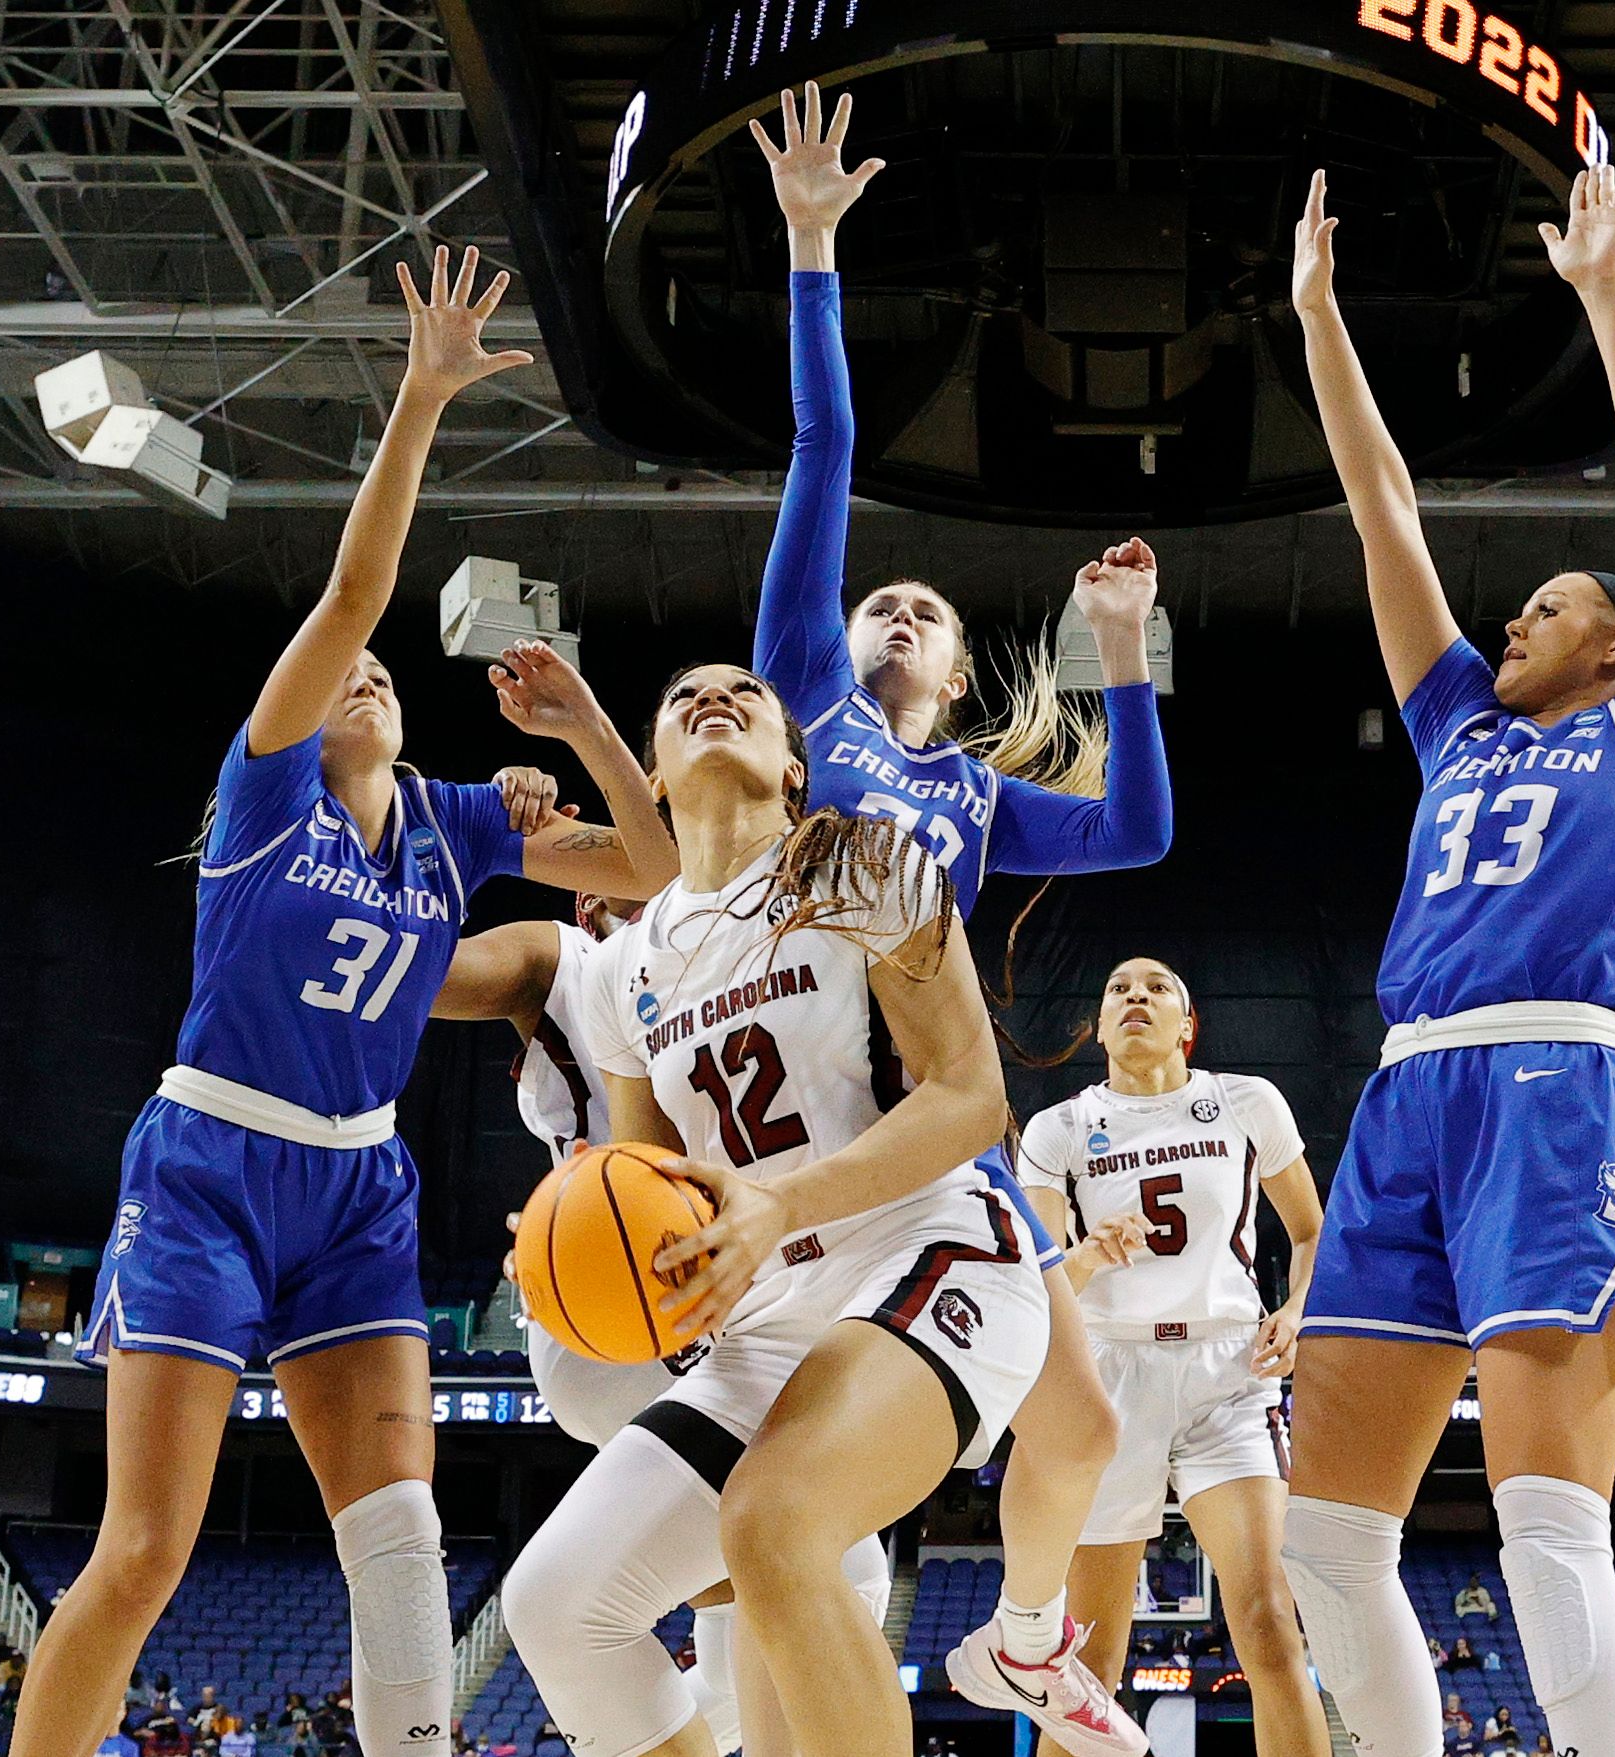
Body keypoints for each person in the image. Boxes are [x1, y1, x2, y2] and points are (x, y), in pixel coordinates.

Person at [11, 246, 679, 1757]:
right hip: (208, 1168)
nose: (366, 671)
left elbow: (649, 862)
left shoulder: (455, 821)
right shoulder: (259, 803)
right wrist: (425, 394)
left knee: (397, 1549)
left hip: (359, 1179)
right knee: (141, 1557)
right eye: (343, 674)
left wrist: (578, 718)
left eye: (381, 672)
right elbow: (358, 586)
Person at [1275, 161, 1615, 1757]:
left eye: (1548, 605)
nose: (1515, 619)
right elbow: (1380, 510)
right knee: (1319, 1540)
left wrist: (1605, 298)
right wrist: (1317, 323)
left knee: (1548, 1528)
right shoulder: (1457, 729)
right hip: (1405, 1101)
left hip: (1554, 1083)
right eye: (1517, 608)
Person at [739, 78, 1168, 1757]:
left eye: (923, 610)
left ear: (958, 672)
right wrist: (809, 251)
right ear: (839, 648)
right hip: (804, 1107)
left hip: (940, 1121)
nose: (899, 609)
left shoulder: (978, 796)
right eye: (880, 602)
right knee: (796, 1535)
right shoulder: (796, 704)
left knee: (1076, 1424)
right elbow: (828, 447)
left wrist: (1116, 647)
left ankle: (1010, 1642)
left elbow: (1134, 823)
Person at [497, 661, 1047, 1757]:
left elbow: (972, 1094)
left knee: (770, 1525)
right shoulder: (622, 970)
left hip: (929, 1259)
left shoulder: (861, 860)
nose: (714, 697)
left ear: (793, 765)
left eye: (745, 691)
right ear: (650, 773)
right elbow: (647, 1184)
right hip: (766, 1325)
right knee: (557, 1604)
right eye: (684, 695)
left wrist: (777, 1202)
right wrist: (568, 1232)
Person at [439, 888, 893, 1757]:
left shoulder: (763, 950)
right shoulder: (571, 962)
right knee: (825, 1567)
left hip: (724, 1301)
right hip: (625, 1310)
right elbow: (425, 972)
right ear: (592, 899)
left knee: (778, 1606)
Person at [1006, 955, 1327, 1757]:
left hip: (1227, 1374)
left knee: (1268, 1627)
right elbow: (1037, 1281)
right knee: (1090, 1663)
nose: (1135, 996)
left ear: (1187, 1025)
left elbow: (1313, 1232)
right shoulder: (1058, 1128)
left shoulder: (1246, 1102)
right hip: (1109, 1377)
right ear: (1099, 1027)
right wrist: (1086, 1253)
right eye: (1117, 987)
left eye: (1156, 988)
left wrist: (1296, 1309)